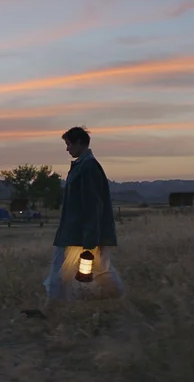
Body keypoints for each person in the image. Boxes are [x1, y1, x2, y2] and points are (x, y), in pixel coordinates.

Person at [25, 126, 124, 318]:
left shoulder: (88, 167)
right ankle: (50, 309)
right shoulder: (82, 166)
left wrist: (90, 238)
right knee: (88, 270)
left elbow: (92, 204)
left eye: (69, 144)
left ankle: (51, 311)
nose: (67, 149)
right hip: (75, 231)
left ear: (79, 142)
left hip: (79, 233)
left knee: (73, 270)